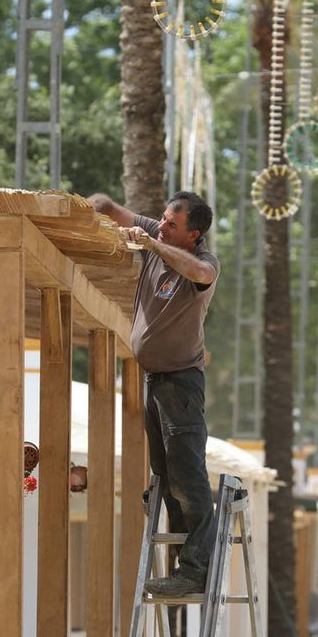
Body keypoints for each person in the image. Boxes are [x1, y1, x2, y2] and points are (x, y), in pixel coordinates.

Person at [88, 190, 220, 597]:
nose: (161, 225)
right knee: (164, 475)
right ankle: (184, 566)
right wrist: (81, 210)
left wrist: (152, 245)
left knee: (188, 477)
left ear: (193, 235)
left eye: (172, 224)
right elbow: (107, 205)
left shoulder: (202, 262)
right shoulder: (157, 232)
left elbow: (201, 273)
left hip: (182, 384)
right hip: (157, 381)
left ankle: (197, 568)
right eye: (162, 218)